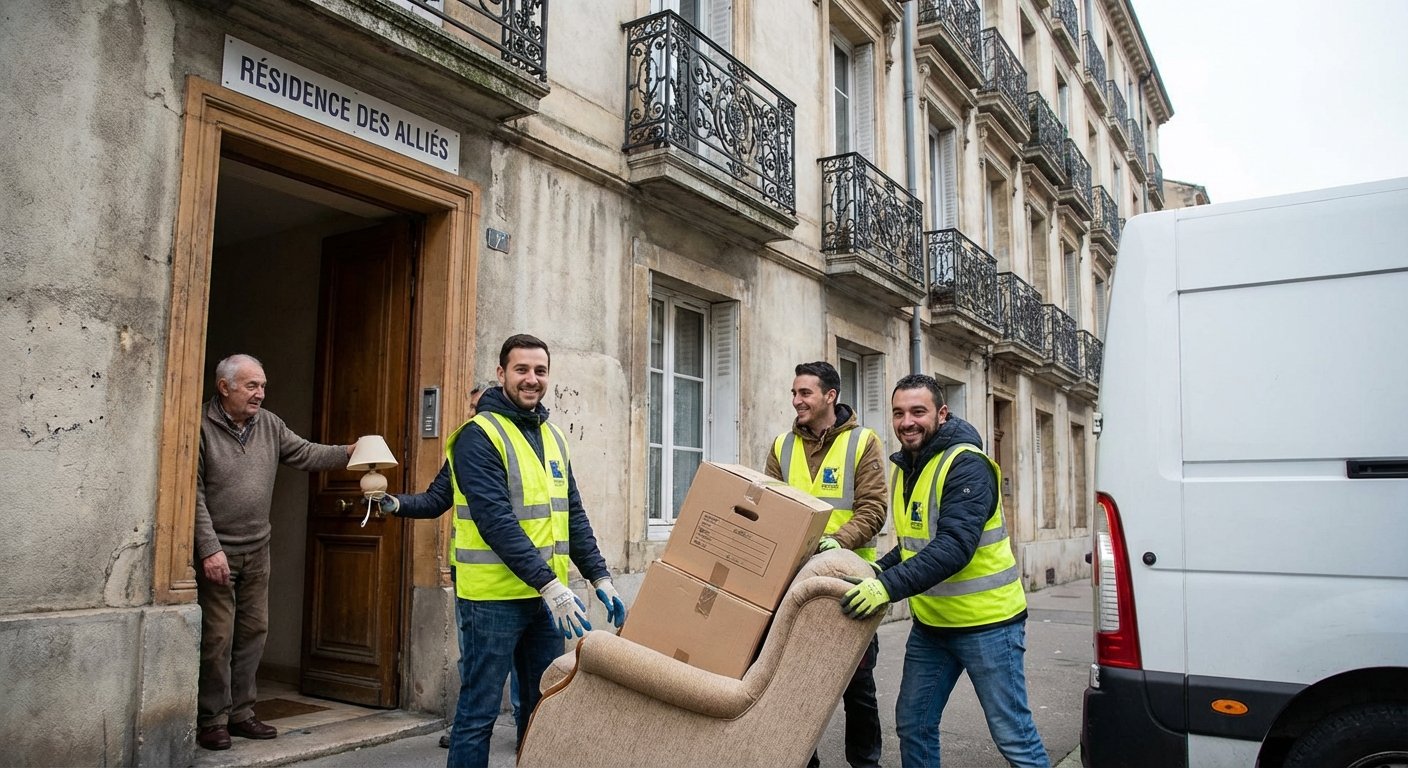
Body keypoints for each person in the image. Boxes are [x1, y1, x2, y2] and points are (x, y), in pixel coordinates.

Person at [840, 374, 1049, 768]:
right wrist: (875, 569)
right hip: (933, 627)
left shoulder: (966, 465)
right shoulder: (906, 467)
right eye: (899, 413)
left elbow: (954, 547)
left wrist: (884, 587)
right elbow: (914, 546)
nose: (907, 422)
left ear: (942, 413)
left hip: (989, 625)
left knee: (1013, 737)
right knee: (913, 725)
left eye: (918, 412)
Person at [439, 334, 627, 768]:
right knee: (479, 715)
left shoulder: (553, 436)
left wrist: (600, 576)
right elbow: (496, 522)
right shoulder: (477, 436)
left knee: (542, 708)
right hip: (493, 600)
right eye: (522, 370)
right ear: (501, 374)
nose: (532, 379)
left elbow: (571, 514)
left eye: (540, 371)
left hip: (546, 602)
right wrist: (550, 585)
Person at [193, 354, 353, 751]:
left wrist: (351, 451)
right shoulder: (198, 425)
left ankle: (242, 713)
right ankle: (212, 718)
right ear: (224, 386)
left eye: (262, 386)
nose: (260, 394)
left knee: (253, 633)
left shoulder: (269, 424)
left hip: (257, 547)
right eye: (251, 386)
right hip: (219, 552)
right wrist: (209, 549)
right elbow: (190, 494)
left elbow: (307, 453)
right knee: (217, 637)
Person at [378, 382, 524, 750]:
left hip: (527, 574)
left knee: (527, 669)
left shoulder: (517, 446)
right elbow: (434, 499)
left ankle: (527, 731)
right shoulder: (467, 447)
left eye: (481, 406)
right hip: (479, 578)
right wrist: (396, 504)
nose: (476, 416)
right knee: (476, 666)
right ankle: (467, 732)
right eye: (473, 409)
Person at [764, 361, 887, 768]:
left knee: (857, 685)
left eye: (805, 393)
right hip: (792, 585)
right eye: (795, 393)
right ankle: (804, 761)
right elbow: (770, 508)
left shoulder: (862, 442)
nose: (796, 400)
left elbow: (873, 509)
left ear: (829, 396)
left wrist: (835, 543)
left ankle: (865, 763)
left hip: (849, 582)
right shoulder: (782, 446)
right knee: (794, 683)